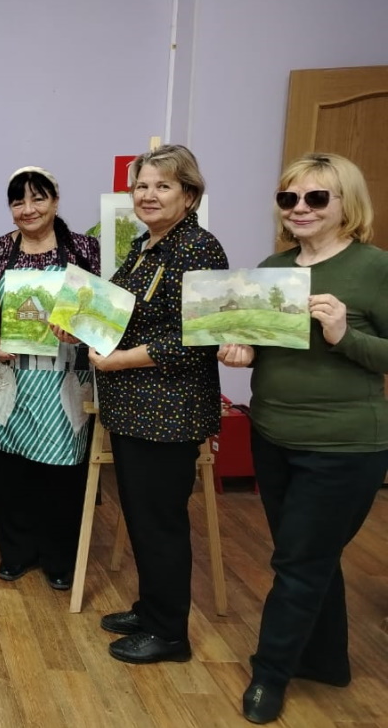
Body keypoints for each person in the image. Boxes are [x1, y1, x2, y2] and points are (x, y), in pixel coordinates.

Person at [218, 153, 388, 724]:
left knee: (297, 561)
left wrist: (343, 333)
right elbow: (265, 348)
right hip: (272, 435)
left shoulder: (374, 268)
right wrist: (242, 352)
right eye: (289, 198)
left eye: (316, 197)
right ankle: (327, 661)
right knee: (313, 556)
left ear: (346, 203)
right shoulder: (274, 268)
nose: (300, 208)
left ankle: (269, 675)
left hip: (343, 447)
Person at [91, 145, 228, 664]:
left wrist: (120, 360)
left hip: (169, 413)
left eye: (162, 186)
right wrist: (79, 324)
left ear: (188, 195)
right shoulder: (147, 245)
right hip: (135, 409)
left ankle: (169, 633)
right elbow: (120, 310)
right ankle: (151, 610)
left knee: (161, 524)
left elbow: (199, 338)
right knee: (142, 517)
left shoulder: (198, 249)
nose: (148, 195)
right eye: (142, 186)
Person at [0, 166, 100, 590]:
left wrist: (81, 330)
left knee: (62, 473)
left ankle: (59, 559)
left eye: (38, 198)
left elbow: (101, 313)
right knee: (11, 470)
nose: (28, 209)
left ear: (55, 200)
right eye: (18, 201)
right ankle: (16, 552)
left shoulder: (84, 249)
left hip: (64, 378)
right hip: (10, 377)